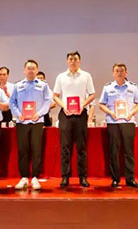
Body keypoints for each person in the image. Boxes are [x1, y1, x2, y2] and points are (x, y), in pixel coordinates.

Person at [53, 51, 95, 188]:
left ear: (79, 61)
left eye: (75, 59)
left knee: (81, 147)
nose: (73, 61)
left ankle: (83, 177)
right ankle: (65, 177)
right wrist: (64, 106)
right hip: (65, 114)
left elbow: (92, 94)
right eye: (70, 59)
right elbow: (55, 96)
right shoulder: (61, 77)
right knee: (65, 147)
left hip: (81, 114)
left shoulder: (86, 76)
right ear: (67, 61)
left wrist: (83, 105)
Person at [10, 59, 53, 190]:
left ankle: (35, 177)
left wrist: (39, 113)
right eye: (28, 68)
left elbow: (48, 101)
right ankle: (24, 177)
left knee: (36, 150)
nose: (31, 71)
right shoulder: (18, 85)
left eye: (33, 68)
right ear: (24, 70)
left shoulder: (43, 85)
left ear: (37, 70)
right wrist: (18, 114)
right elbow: (12, 102)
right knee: (23, 150)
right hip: (22, 121)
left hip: (36, 121)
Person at [98, 63, 138, 188]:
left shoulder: (133, 87)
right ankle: (115, 179)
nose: (119, 73)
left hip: (128, 121)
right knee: (114, 151)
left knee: (129, 151)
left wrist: (131, 113)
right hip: (113, 122)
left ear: (126, 72)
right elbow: (101, 104)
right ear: (113, 73)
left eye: (122, 71)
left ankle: (130, 179)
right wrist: (110, 113)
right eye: (117, 71)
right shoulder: (108, 87)